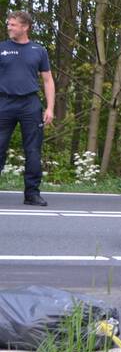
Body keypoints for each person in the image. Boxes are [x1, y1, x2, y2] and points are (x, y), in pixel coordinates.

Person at [0, 11, 55, 206]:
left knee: (33, 150)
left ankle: (32, 194)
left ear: (25, 27)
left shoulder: (38, 50)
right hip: (4, 103)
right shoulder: (2, 48)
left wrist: (50, 108)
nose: (9, 27)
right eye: (9, 24)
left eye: (13, 24)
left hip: (30, 105)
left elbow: (47, 80)